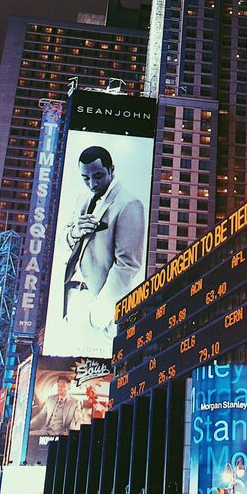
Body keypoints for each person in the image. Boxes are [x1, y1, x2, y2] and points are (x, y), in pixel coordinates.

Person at [63, 145, 145, 345]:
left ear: (112, 170)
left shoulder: (129, 204)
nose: (92, 183)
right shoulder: (82, 200)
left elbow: (127, 265)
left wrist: (98, 314)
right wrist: (74, 232)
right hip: (72, 303)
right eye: (85, 178)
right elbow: (63, 244)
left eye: (98, 175)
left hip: (100, 311)